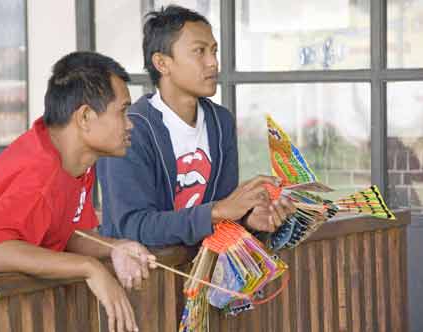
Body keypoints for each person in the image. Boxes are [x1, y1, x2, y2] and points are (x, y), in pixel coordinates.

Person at [0, 51, 155, 332]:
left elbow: (69, 235)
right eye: (122, 111)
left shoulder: (77, 160)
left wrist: (115, 248)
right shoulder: (40, 173)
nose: (130, 124)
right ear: (84, 117)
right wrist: (90, 268)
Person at [97, 5, 295, 247]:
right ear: (162, 63)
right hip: (148, 280)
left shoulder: (220, 122)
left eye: (214, 51)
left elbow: (223, 215)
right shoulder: (130, 130)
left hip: (207, 275)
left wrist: (249, 219)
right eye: (199, 51)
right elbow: (131, 227)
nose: (213, 63)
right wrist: (217, 211)